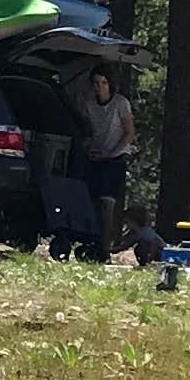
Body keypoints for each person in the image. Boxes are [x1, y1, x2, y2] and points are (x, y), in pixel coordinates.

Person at [77, 62, 138, 261]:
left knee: (107, 204)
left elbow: (129, 133)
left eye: (104, 83)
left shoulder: (121, 103)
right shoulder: (88, 102)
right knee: (90, 202)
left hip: (115, 158)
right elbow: (87, 129)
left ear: (110, 84)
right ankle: (91, 244)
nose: (100, 87)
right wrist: (89, 148)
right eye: (96, 83)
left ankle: (105, 249)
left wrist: (112, 153)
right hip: (95, 157)